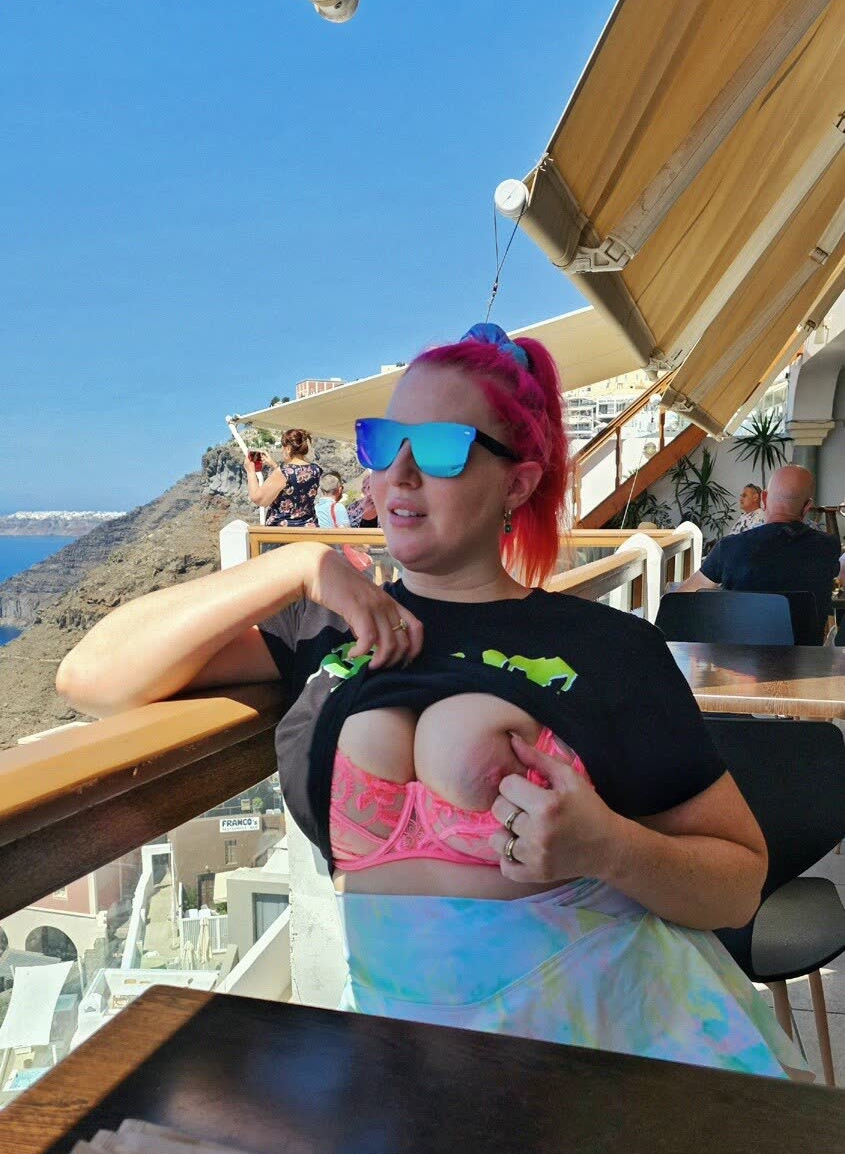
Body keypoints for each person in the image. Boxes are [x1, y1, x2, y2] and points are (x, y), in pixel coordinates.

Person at [55, 324, 805, 1081]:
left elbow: (738, 886)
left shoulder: (607, 647)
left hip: (614, 1046)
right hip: (411, 1065)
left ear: (517, 484)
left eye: (443, 449)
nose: (401, 474)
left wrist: (607, 848)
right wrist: (296, 567)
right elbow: (91, 678)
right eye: (384, 443)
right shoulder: (324, 627)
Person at [676, 464, 841, 639]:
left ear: (764, 498)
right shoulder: (828, 546)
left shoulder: (730, 546)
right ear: (807, 506)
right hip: (805, 654)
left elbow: (681, 600)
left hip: (734, 654)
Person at [244, 428, 321, 527]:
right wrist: (274, 465)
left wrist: (250, 471)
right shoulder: (315, 469)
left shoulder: (283, 472)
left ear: (288, 448)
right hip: (309, 527)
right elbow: (293, 479)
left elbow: (259, 499)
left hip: (283, 530)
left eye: (282, 448)